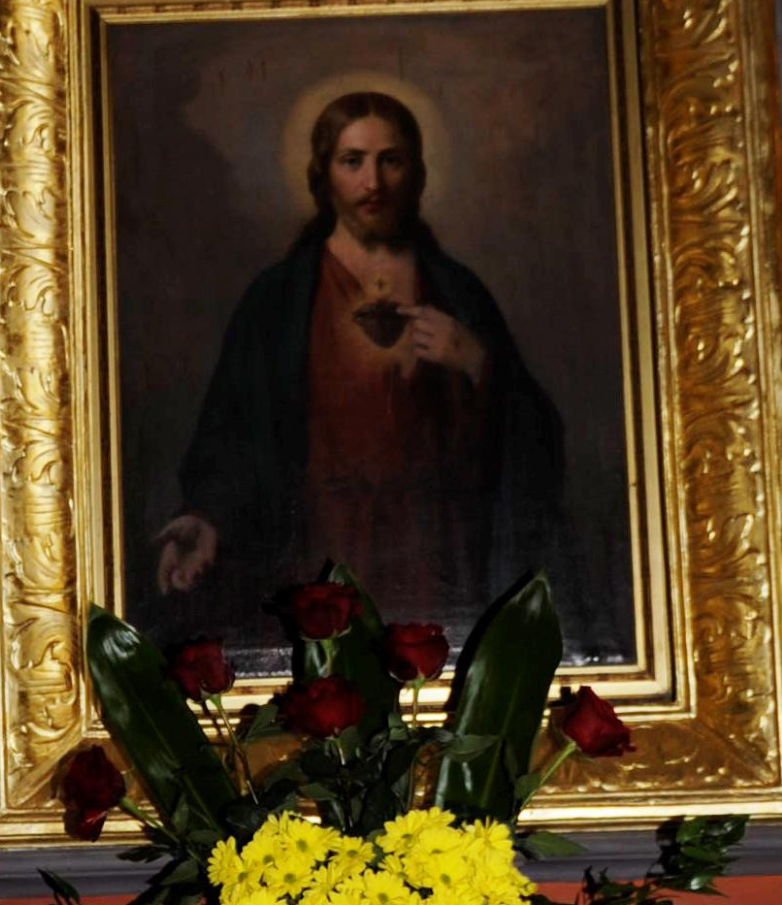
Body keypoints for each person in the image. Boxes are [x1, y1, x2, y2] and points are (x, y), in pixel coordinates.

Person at [154, 91, 563, 634]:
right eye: (353, 161)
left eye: (390, 160)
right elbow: (231, 436)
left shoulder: (457, 292)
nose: (373, 182)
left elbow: (536, 440)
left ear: (415, 173)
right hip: (317, 554)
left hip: (434, 557)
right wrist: (205, 517)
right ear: (323, 174)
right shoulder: (279, 300)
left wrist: (477, 362)